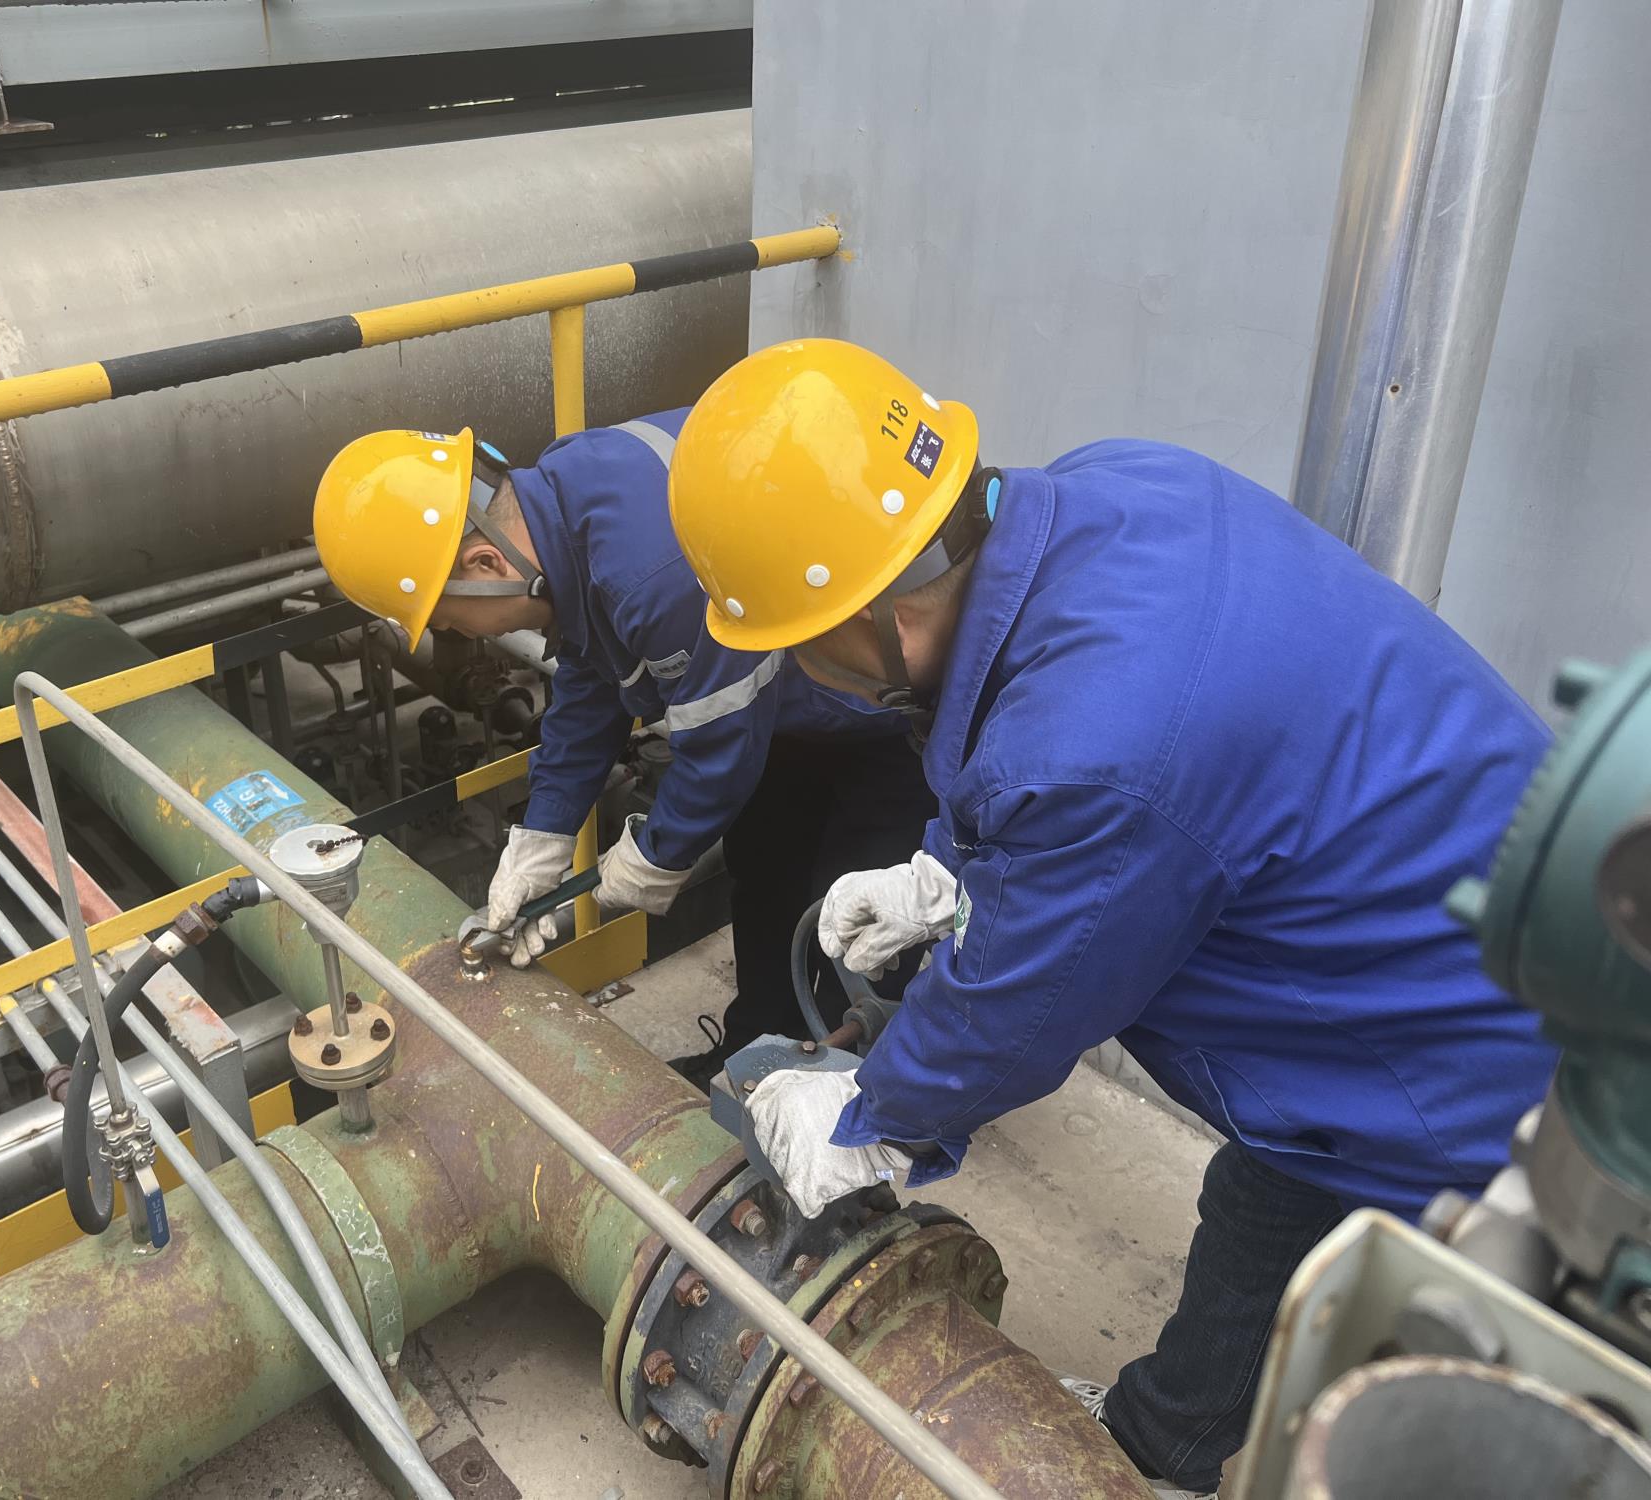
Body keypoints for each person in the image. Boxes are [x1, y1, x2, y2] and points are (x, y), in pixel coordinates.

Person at [665, 338, 1559, 1497]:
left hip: (1465, 1054)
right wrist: (942, 870)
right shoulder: (1113, 487)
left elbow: (1019, 1006)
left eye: (796, 647)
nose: (801, 670)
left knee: (1463, 1363)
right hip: (1487, 888)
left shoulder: (1096, 754)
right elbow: (1040, 736)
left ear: (865, 619)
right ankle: (1164, 1444)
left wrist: (868, 1118)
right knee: (1266, 1195)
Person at [310, 416, 934, 1080]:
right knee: (767, 874)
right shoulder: (568, 499)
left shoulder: (651, 572)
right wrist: (543, 836)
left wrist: (656, 854)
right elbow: (592, 673)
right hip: (787, 711)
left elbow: (721, 744)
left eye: (447, 620)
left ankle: (847, 1096)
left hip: (884, 712)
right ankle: (749, 1062)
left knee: (855, 924)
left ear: (486, 566)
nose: (462, 636)